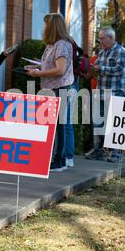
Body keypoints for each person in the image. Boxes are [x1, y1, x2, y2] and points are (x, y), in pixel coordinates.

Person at [26, 13, 74, 172]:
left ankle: (59, 161)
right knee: (53, 125)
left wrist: (39, 73)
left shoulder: (62, 44)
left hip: (59, 88)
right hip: (51, 88)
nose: (44, 27)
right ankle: (54, 158)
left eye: (46, 24)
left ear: (52, 26)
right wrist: (38, 67)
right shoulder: (52, 45)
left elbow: (60, 70)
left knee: (59, 125)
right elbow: (50, 65)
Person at [84, 26, 125, 163]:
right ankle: (99, 150)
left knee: (115, 123)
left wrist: (100, 68)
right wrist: (88, 71)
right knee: (98, 123)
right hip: (101, 92)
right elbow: (95, 69)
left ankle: (116, 152)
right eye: (99, 38)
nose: (100, 41)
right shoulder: (102, 53)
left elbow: (120, 69)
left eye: (102, 38)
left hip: (116, 92)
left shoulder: (121, 51)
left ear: (111, 38)